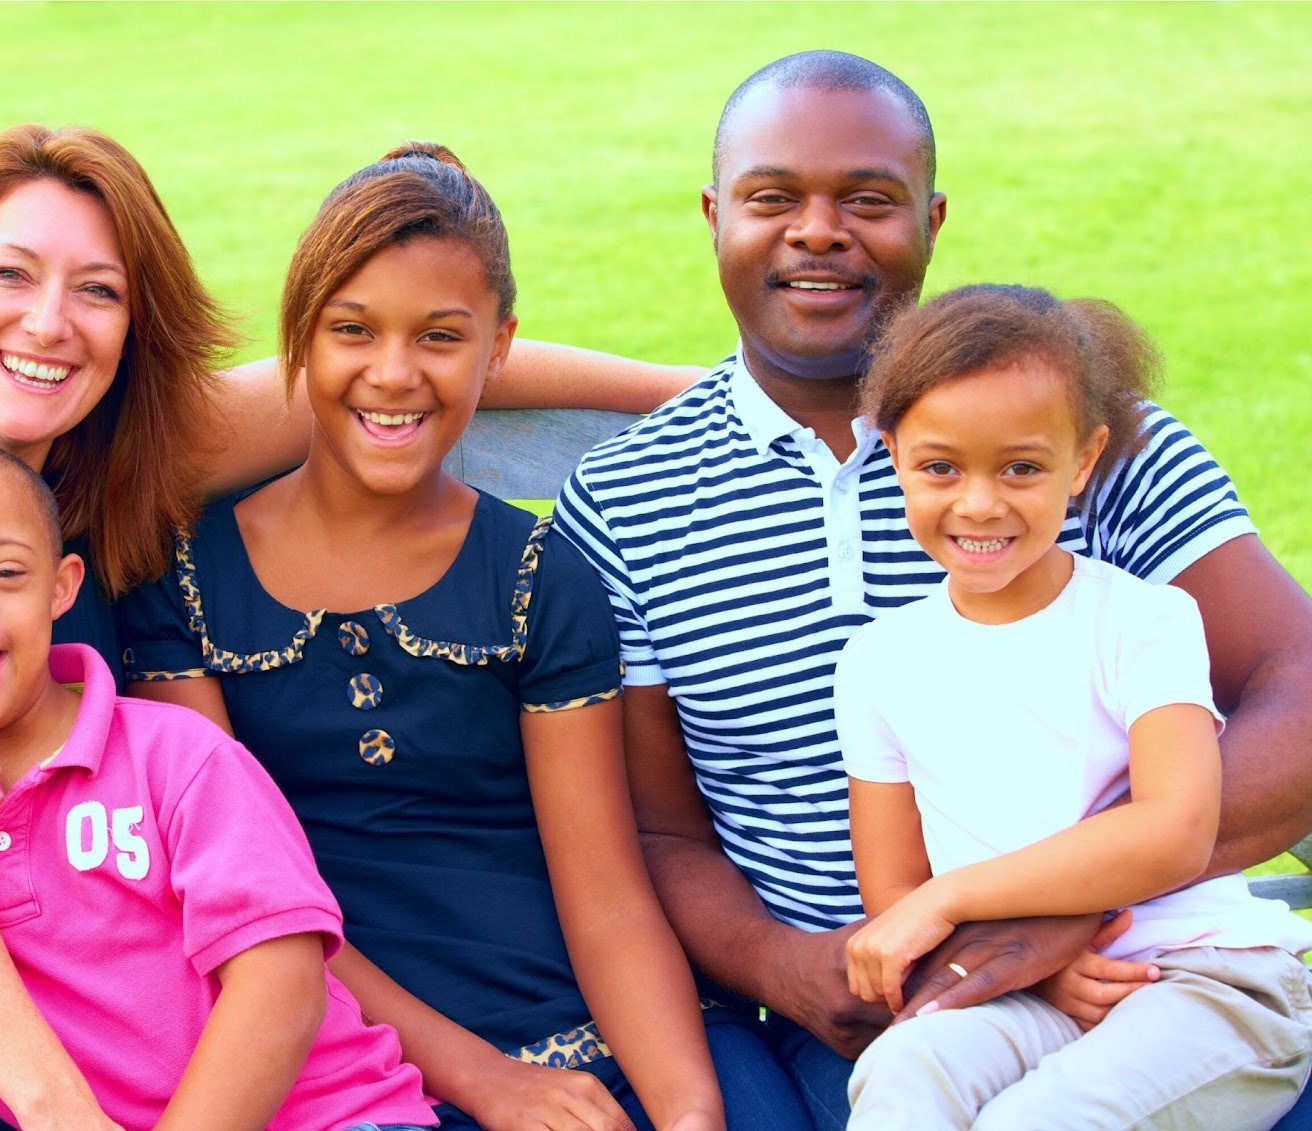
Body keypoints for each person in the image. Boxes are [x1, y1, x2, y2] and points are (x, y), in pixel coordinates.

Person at [0, 123, 684, 1129]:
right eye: (9, 274)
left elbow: (400, 358)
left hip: (84, 1061)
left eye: (98, 291)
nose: (49, 323)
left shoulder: (120, 473)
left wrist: (710, 395)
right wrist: (57, 1109)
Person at [549, 50, 1312, 1130]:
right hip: (863, 1014)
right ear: (714, 217)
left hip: (1143, 974)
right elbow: (658, 830)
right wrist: (786, 966)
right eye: (772, 198)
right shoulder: (626, 495)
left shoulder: (1081, 438)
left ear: (932, 219)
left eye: (868, 200)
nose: (819, 232)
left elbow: (1300, 683)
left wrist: (1057, 914)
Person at [118, 143, 745, 1131]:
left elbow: (608, 897)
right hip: (341, 1060)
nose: (393, 373)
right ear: (299, 339)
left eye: (441, 338)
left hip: (574, 1026)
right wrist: (485, 1081)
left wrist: (686, 1114)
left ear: (498, 349)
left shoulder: (536, 579)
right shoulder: (186, 584)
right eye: (351, 330)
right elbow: (256, 905)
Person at [0, 440, 440, 1131]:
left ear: (62, 587)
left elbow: (282, 987)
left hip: (335, 1115)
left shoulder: (175, 756)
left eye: (7, 572)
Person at [834, 284, 1312, 1128]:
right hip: (1026, 989)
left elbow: (1175, 828)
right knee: (902, 1072)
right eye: (940, 467)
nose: (980, 503)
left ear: (1084, 460)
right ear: (891, 450)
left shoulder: (1144, 621)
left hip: (1207, 977)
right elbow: (897, 891)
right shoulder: (878, 661)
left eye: (1021, 467)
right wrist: (1031, 964)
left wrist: (953, 899)